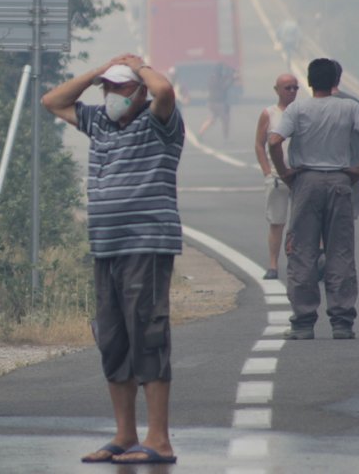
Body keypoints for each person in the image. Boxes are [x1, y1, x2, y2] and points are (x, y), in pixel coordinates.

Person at [41, 54, 183, 465]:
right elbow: (52, 101)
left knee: (148, 336)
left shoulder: (159, 123)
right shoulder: (99, 122)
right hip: (106, 246)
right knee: (114, 340)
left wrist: (138, 67)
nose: (110, 95)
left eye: (119, 88)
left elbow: (165, 90)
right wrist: (101, 69)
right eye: (107, 88)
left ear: (139, 92)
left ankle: (159, 440)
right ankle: (124, 434)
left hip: (146, 244)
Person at [269, 58, 359, 340]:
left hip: (306, 182)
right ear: (336, 81)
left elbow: (274, 141)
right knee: (341, 251)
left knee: (303, 251)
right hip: (340, 181)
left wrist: (285, 172)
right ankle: (342, 321)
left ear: (310, 81)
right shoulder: (350, 107)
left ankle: (303, 321)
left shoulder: (298, 108)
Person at [254, 73, 299, 279]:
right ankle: (273, 264)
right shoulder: (269, 113)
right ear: (277, 90)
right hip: (277, 176)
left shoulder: (302, 111)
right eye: (287, 88)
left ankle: (309, 262)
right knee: (276, 221)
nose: (291, 92)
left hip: (300, 174)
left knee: (306, 220)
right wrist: (266, 171)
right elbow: (259, 144)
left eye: (294, 88)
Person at [332, 60, 359, 221]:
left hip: (319, 173)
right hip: (352, 170)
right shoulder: (354, 104)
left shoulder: (305, 108)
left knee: (321, 220)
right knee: (346, 222)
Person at [198, 62, 236, 140]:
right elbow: (224, 87)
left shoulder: (213, 78)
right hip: (218, 103)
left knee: (212, 119)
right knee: (225, 120)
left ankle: (200, 133)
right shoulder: (217, 79)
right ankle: (226, 139)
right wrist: (232, 79)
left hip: (212, 102)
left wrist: (230, 78)